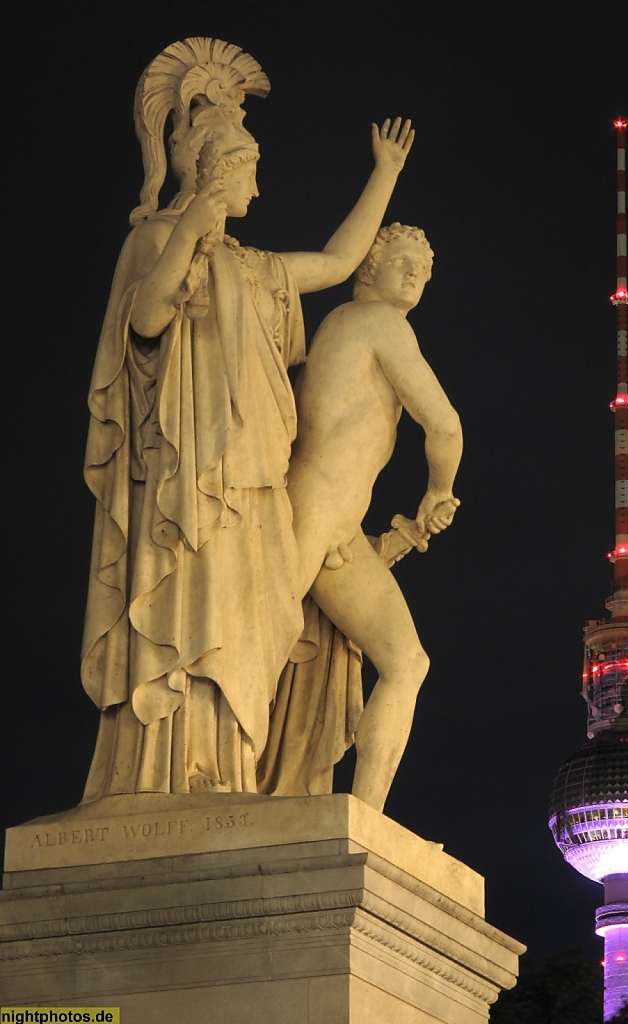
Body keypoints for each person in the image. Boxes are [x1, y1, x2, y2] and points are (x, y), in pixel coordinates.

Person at [80, 38, 414, 799]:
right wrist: (194, 220)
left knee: (244, 624)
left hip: (250, 479)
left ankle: (223, 775)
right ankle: (166, 777)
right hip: (183, 476)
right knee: (186, 613)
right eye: (250, 176)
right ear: (219, 170)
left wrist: (385, 175)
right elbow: (148, 318)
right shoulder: (156, 241)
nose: (257, 195)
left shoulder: (255, 269)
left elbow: (335, 263)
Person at [285, 223, 462, 811]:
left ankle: (360, 824)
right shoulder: (378, 323)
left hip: (335, 521)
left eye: (426, 270)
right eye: (405, 260)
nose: (418, 275)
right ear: (368, 266)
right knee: (259, 644)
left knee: (408, 661)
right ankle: (210, 781)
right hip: (314, 506)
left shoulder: (334, 330)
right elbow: (443, 424)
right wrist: (439, 491)